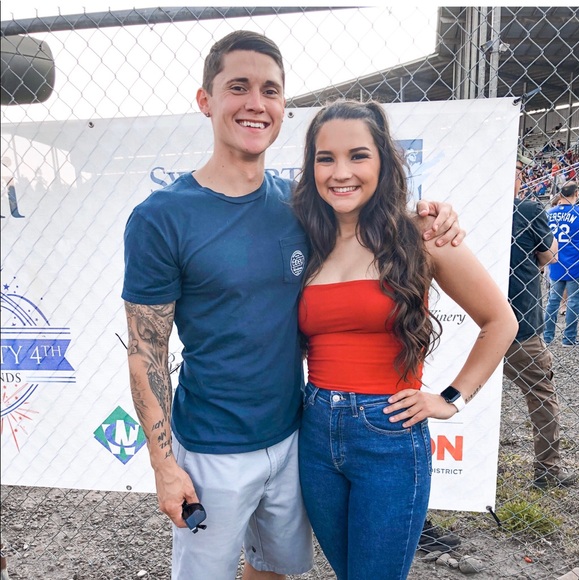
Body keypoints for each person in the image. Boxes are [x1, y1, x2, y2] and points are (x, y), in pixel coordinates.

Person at [122, 31, 464, 580]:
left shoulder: (302, 207)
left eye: (270, 90)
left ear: (284, 106)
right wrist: (164, 465)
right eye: (238, 87)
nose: (256, 103)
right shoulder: (161, 217)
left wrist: (432, 214)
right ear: (206, 100)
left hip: (296, 436)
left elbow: (368, 218)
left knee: (274, 569)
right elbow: (145, 352)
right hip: (213, 446)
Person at [292, 99, 518, 580]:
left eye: (358, 155)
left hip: (388, 433)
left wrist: (451, 399)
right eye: (325, 158)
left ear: (384, 162)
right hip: (314, 429)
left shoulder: (421, 234)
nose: (340, 172)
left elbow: (500, 321)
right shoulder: (306, 238)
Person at [503, 154, 578, 489]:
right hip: (518, 321)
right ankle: (547, 469)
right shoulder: (527, 209)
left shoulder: (465, 210)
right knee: (540, 393)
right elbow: (549, 255)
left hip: (472, 320)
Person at [543, 181, 579, 347]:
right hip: (575, 262)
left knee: (552, 301)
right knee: (574, 301)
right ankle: (568, 338)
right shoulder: (578, 213)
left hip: (555, 261)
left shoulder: (549, 213)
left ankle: (547, 337)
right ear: (576, 194)